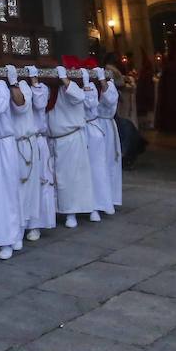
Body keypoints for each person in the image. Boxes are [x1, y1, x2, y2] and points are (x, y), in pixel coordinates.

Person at [49, 64, 95, 228]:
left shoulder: (72, 87)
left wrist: (64, 79)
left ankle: (72, 213)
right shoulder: (50, 90)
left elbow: (79, 97)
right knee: (55, 179)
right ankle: (57, 210)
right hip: (53, 140)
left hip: (71, 139)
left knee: (72, 179)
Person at [0, 65, 23, 259]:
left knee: (6, 192)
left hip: (3, 143)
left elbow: (1, 107)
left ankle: (9, 237)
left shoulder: (0, 84)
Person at [21, 67, 56, 238]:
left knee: (41, 182)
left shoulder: (42, 88)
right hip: (22, 142)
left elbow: (40, 104)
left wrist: (34, 81)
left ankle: (36, 224)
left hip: (37, 140)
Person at [82, 67, 113, 221]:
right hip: (78, 131)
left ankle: (98, 204)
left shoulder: (97, 85)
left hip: (94, 130)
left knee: (97, 168)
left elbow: (92, 103)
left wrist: (91, 84)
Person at [95, 69, 123, 210]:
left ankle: (110, 198)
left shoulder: (110, 85)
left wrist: (102, 81)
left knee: (109, 161)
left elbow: (110, 99)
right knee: (98, 164)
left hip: (106, 126)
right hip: (95, 125)